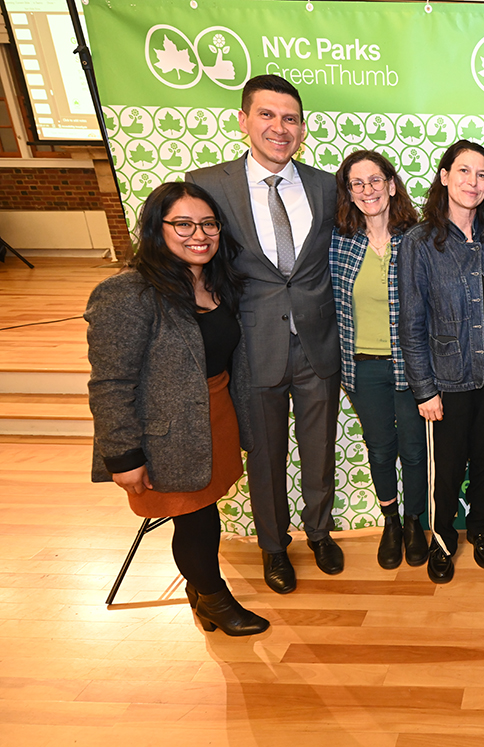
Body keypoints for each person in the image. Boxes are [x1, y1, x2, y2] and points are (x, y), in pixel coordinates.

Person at [86, 181, 268, 636]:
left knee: (205, 510)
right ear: (156, 228)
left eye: (208, 223)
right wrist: (123, 456)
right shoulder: (129, 293)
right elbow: (110, 382)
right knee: (196, 518)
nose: (198, 234)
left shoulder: (218, 282)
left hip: (215, 414)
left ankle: (198, 590)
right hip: (165, 431)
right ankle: (214, 600)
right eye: (182, 224)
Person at [186, 74, 342, 595]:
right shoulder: (208, 185)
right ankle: (274, 547)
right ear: (244, 120)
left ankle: (319, 532)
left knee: (319, 448)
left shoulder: (325, 185)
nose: (280, 127)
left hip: (318, 345)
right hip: (252, 347)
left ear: (303, 128)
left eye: (291, 118)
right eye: (268, 115)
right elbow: (195, 262)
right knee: (267, 455)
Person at [399, 140, 484, 585]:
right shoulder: (420, 242)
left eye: (482, 175)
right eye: (463, 171)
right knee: (446, 471)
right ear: (444, 176)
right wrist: (424, 389)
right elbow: (410, 321)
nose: (473, 182)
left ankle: (481, 527)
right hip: (447, 380)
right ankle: (442, 539)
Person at [329, 150, 428, 571]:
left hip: (412, 367)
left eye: (375, 180)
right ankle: (389, 519)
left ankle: (413, 522)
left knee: (415, 450)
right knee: (380, 449)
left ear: (391, 184)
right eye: (357, 183)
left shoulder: (419, 238)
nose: (367, 190)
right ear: (349, 193)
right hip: (362, 367)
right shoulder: (338, 242)